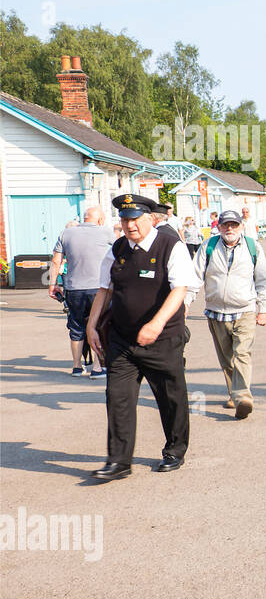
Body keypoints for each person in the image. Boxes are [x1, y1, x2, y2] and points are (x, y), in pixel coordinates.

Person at [85, 193, 202, 480]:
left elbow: (180, 289)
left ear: (150, 218)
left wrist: (157, 323)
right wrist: (91, 325)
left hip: (162, 339)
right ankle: (119, 461)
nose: (129, 225)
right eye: (124, 220)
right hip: (123, 340)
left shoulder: (170, 246)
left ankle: (175, 450)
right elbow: (105, 289)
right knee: (118, 397)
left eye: (135, 219)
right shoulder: (118, 248)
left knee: (170, 397)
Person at [195, 209, 266, 419]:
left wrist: (263, 309)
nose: (230, 229)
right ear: (218, 227)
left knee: (242, 354)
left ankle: (243, 397)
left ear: (241, 227)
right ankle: (233, 394)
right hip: (216, 312)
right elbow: (194, 277)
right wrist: (183, 305)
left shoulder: (253, 247)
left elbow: (262, 281)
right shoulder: (208, 247)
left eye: (234, 225)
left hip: (244, 310)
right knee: (227, 358)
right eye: (226, 225)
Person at [49, 206, 114, 377]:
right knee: (99, 325)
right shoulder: (106, 232)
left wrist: (53, 284)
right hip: (98, 288)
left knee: (76, 326)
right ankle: (98, 367)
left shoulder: (66, 233)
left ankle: (77, 366)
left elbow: (56, 261)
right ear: (100, 220)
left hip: (73, 288)